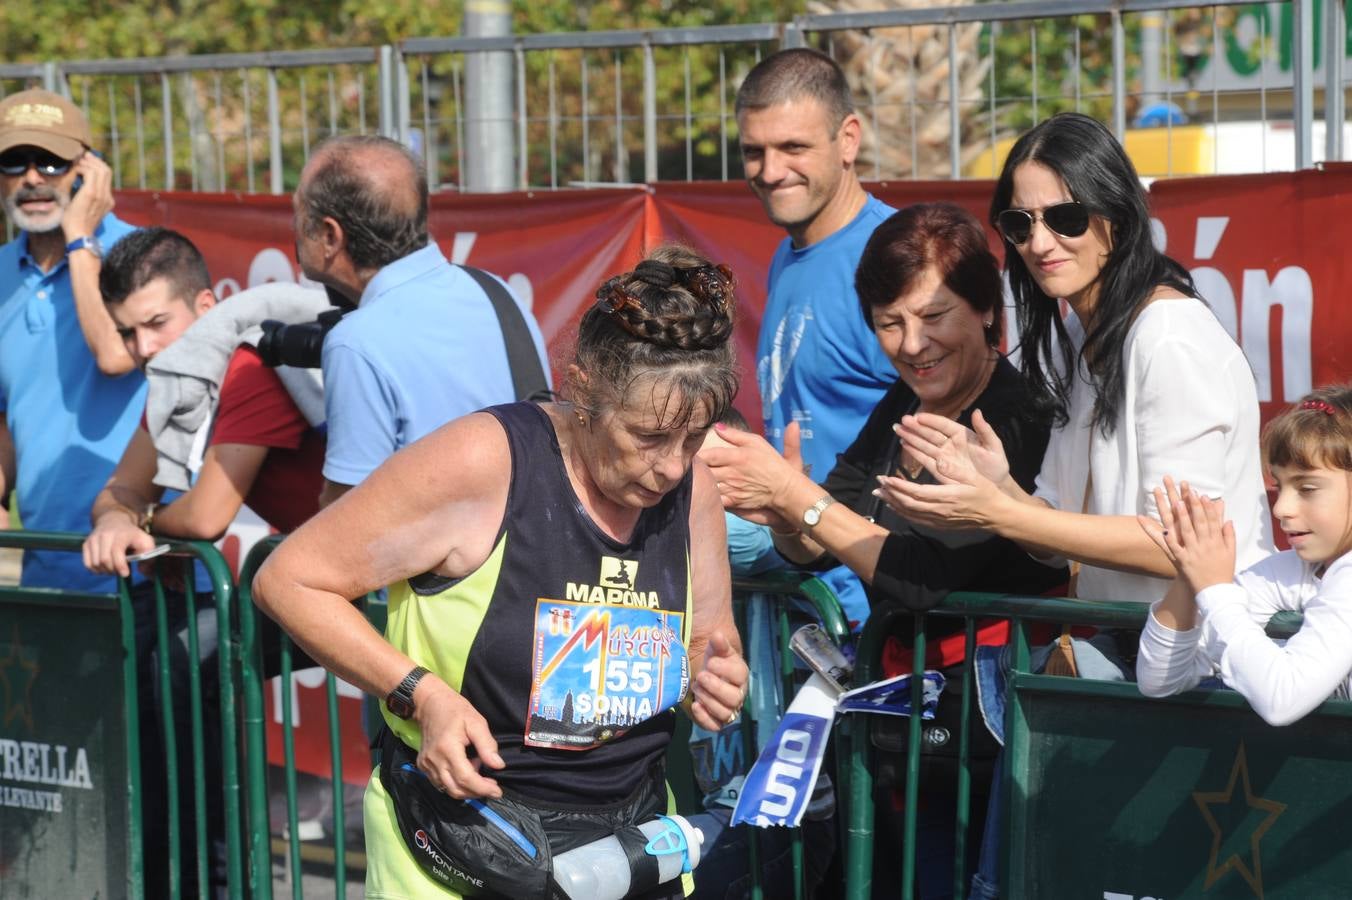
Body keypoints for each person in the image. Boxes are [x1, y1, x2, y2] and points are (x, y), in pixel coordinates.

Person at [252, 247, 750, 899]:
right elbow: (289, 579)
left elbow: (709, 643)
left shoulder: (694, 493)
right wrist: (421, 695)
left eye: (695, 438)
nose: (673, 467)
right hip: (461, 846)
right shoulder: (482, 463)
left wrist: (714, 678)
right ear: (585, 390)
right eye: (650, 437)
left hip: (627, 851)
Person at [703, 203, 1066, 899]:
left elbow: (921, 577)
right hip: (906, 737)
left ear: (989, 310)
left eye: (934, 318)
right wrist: (779, 508)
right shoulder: (904, 402)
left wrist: (797, 497)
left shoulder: (1016, 414)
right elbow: (818, 540)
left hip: (988, 747)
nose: (912, 344)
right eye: (889, 322)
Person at [879, 112, 1273, 608]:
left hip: (1212, 662)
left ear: (1119, 215)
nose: (1040, 244)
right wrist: (997, 488)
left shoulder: (1168, 338)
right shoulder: (1076, 332)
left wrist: (998, 513)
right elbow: (1053, 539)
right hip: (1127, 651)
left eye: (1066, 218)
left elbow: (1183, 545)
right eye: (1020, 224)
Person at [291, 133, 549, 509]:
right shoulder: (494, 291)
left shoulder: (357, 342)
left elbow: (347, 518)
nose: (293, 227)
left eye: (297, 212)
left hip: (443, 563)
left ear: (330, 236)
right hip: (534, 550)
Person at [736, 48, 898, 627]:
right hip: (807, 599)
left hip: (876, 618)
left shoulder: (895, 261)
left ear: (848, 139)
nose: (771, 170)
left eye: (793, 148)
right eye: (754, 151)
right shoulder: (789, 253)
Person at [81, 227, 325, 576]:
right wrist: (115, 522)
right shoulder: (177, 379)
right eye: (127, 333)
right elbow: (123, 488)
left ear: (207, 307)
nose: (144, 348)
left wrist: (145, 524)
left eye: (157, 323)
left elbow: (205, 519)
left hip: (399, 574)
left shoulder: (253, 364)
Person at [1137, 385, 1352, 726]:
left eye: (1307, 488)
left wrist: (1215, 592)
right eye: (1279, 486)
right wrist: (1190, 576)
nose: (1281, 508)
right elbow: (1159, 681)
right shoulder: (1294, 569)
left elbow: (1282, 699)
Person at [0, 88, 143, 590]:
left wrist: (80, 237)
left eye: (53, 162)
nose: (33, 178)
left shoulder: (147, 255)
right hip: (45, 565)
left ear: (90, 168)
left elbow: (113, 356)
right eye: (14, 162)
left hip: (145, 570)